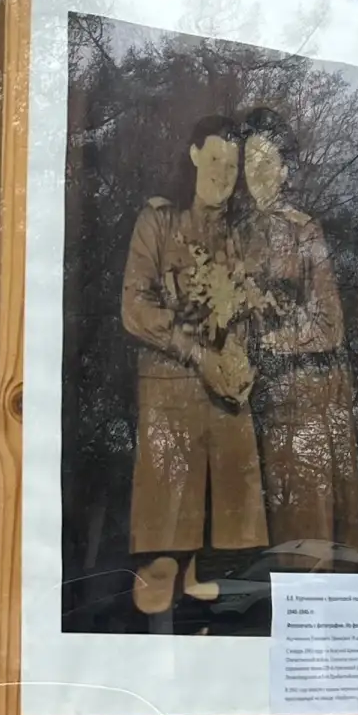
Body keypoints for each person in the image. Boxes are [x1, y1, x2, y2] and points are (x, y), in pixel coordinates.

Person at [118, 115, 268, 617]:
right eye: (216, 158)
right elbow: (134, 309)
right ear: (194, 155)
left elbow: (250, 316)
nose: (223, 172)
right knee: (161, 565)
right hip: (171, 402)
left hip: (226, 406)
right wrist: (197, 353)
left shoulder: (242, 237)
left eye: (233, 165)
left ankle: (206, 647)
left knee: (222, 567)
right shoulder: (158, 222)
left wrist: (242, 361)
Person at [236, 106, 358, 563]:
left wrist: (274, 342)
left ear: (285, 171)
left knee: (303, 539)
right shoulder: (234, 234)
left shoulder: (304, 231)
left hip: (302, 406)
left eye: (267, 162)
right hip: (247, 408)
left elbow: (330, 324)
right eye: (249, 161)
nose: (257, 173)